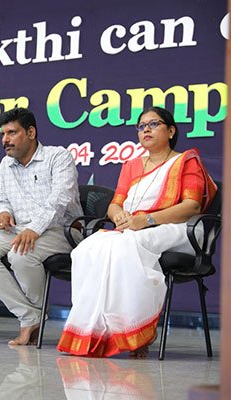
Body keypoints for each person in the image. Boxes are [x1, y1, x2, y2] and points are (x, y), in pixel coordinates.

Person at [57, 107, 217, 358]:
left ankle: (136, 334)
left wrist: (148, 219)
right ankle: (93, 331)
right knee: (87, 248)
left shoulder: (185, 161)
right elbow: (115, 204)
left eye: (153, 124)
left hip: (176, 229)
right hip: (134, 227)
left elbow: (192, 207)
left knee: (124, 247)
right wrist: (118, 216)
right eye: (141, 126)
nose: (146, 130)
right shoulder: (131, 165)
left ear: (171, 131)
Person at [0, 107, 82, 346]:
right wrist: (3, 213)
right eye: (2, 134)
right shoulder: (5, 164)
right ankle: (30, 316)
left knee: (20, 254)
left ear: (31, 132)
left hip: (62, 229)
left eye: (11, 133)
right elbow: (4, 200)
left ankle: (31, 321)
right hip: (21, 229)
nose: (5, 140)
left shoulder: (57, 156)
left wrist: (35, 229)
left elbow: (60, 199)